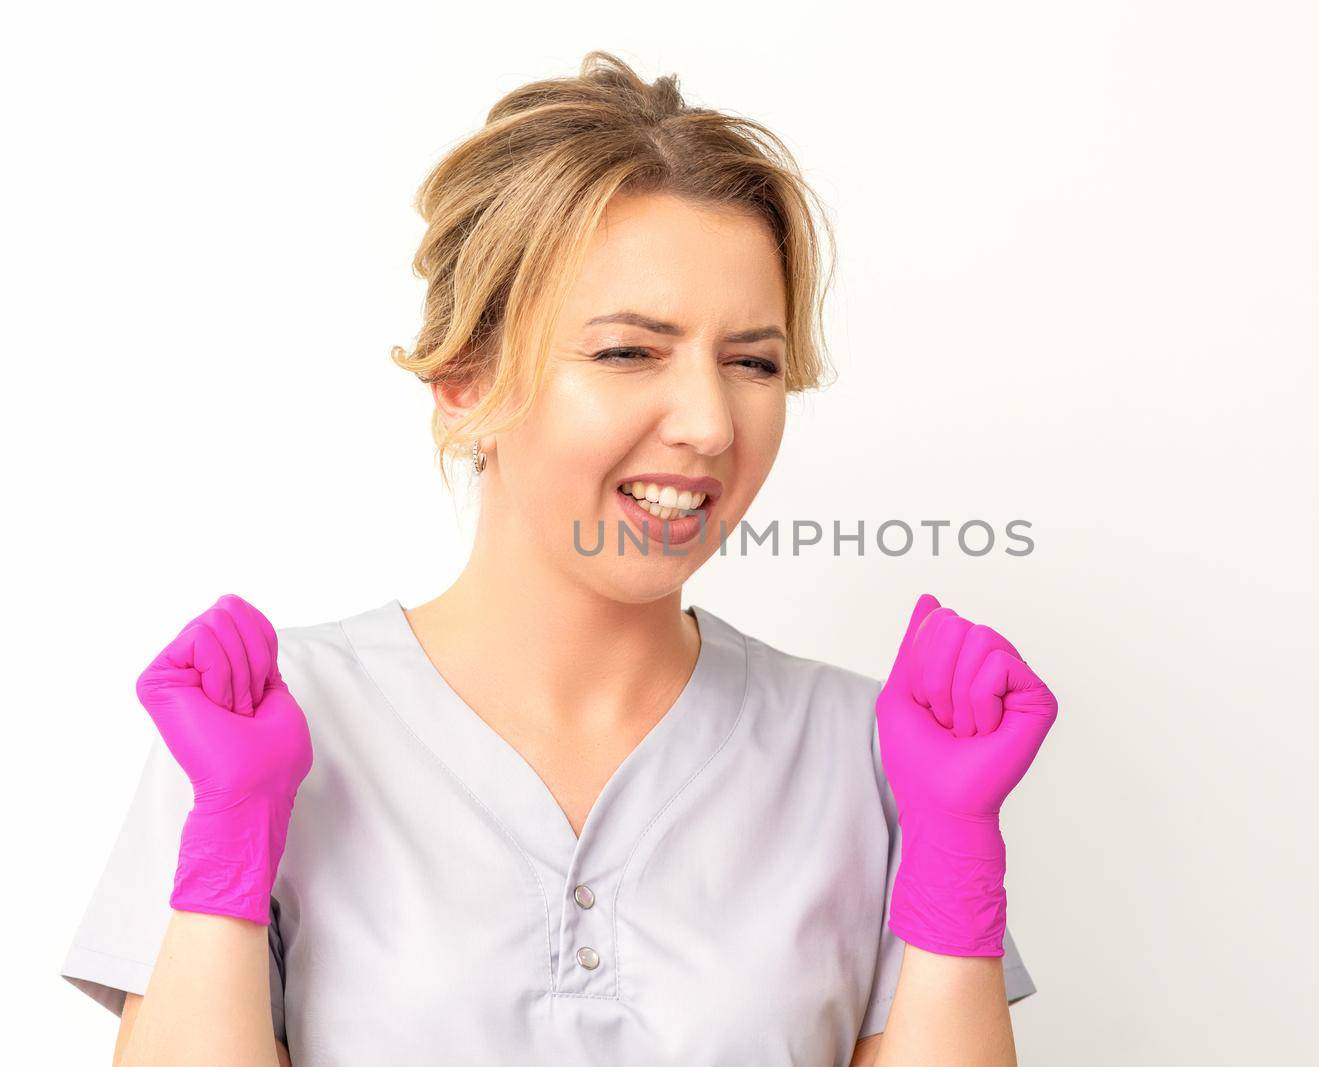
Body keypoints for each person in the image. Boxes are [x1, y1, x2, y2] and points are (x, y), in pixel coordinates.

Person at [58, 51, 1059, 1066]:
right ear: (463, 379)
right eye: (628, 351)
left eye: (752, 362)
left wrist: (952, 863)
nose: (711, 424)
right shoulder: (257, 728)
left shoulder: (876, 757)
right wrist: (228, 842)